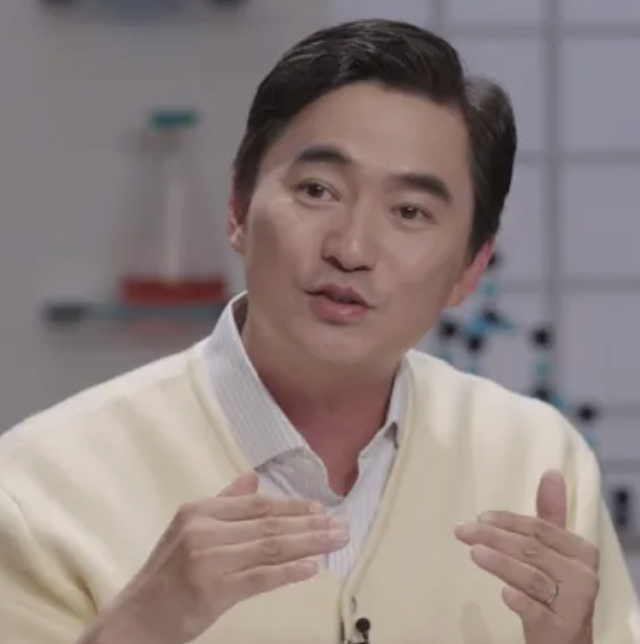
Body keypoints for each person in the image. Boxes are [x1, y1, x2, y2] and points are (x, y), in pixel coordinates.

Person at [0, 18, 637, 644]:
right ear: (238, 208)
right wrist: (137, 630)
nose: (351, 249)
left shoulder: (536, 462)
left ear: (470, 267)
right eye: (316, 190)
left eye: (409, 211)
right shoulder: (39, 487)